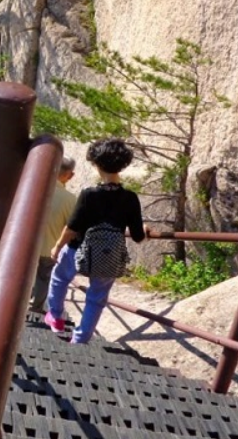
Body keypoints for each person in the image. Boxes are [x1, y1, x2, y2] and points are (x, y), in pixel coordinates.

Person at [45, 138, 148, 345]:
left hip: (77, 250)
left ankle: (55, 317)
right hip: (108, 257)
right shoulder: (130, 198)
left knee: (59, 278)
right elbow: (137, 236)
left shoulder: (89, 195)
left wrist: (57, 246)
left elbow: (72, 228)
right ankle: (80, 339)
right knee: (97, 298)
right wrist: (145, 230)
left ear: (97, 164)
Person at [29, 157, 78, 314]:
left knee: (24, 275)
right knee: (44, 278)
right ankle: (35, 307)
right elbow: (72, 228)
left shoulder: (32, 190)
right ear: (70, 175)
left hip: (27, 246)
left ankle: (18, 303)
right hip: (50, 247)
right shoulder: (70, 200)